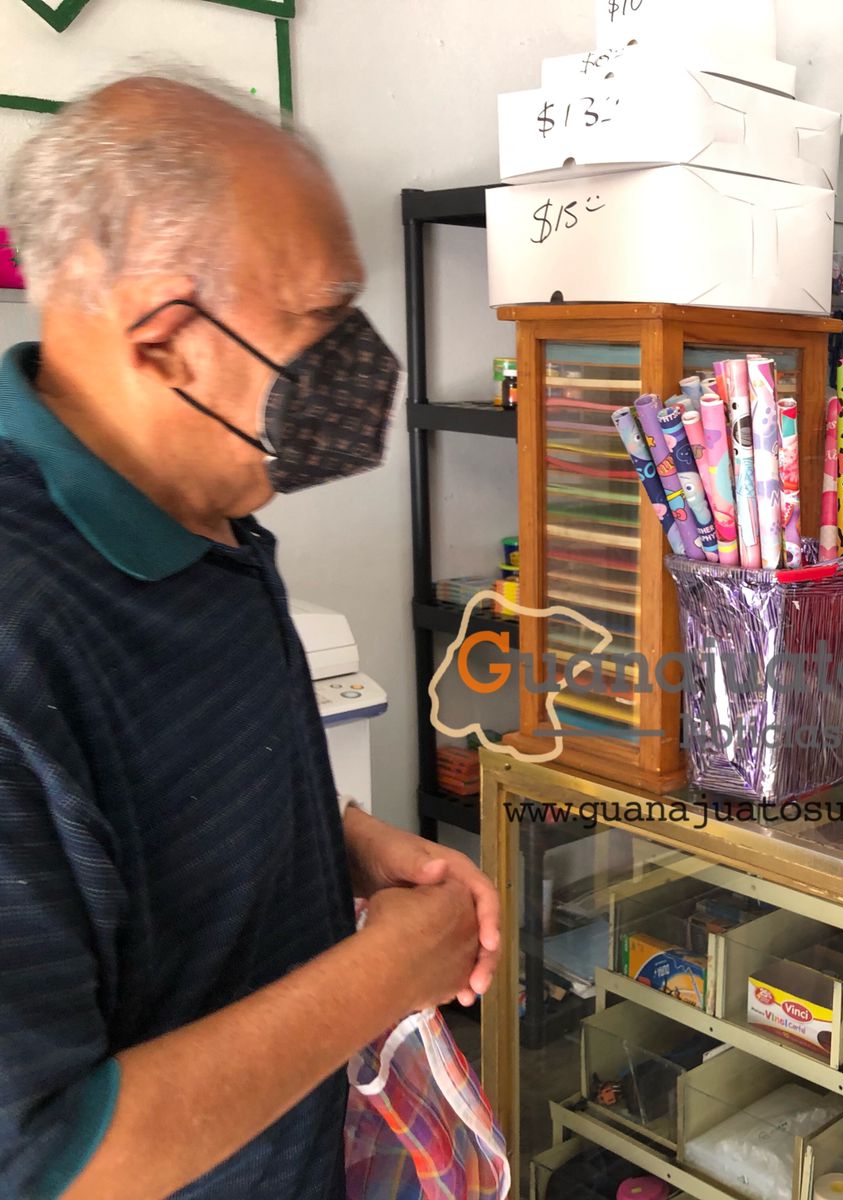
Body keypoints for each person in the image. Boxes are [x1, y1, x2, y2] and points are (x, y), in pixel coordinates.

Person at [0, 75, 498, 1199]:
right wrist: (380, 977)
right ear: (167, 343)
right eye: (323, 320)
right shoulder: (20, 629)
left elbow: (135, 804)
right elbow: (46, 1160)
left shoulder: (201, 510)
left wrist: (340, 838)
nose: (360, 363)